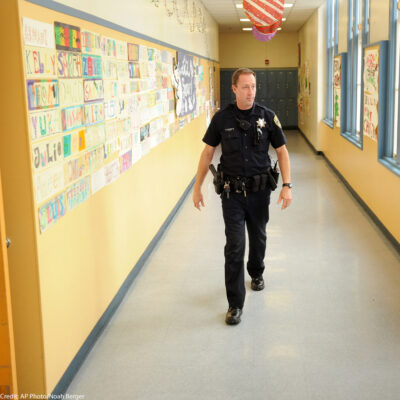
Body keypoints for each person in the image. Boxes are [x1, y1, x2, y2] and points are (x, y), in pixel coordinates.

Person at [192, 68, 292, 326]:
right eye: (245, 87)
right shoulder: (222, 119)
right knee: (235, 245)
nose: (251, 92)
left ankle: (256, 272)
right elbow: (207, 153)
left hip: (260, 193)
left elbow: (282, 151)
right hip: (232, 195)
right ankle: (235, 304)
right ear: (234, 88)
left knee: (258, 237)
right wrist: (197, 187)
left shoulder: (268, 117)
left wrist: (287, 185)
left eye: (254, 86)